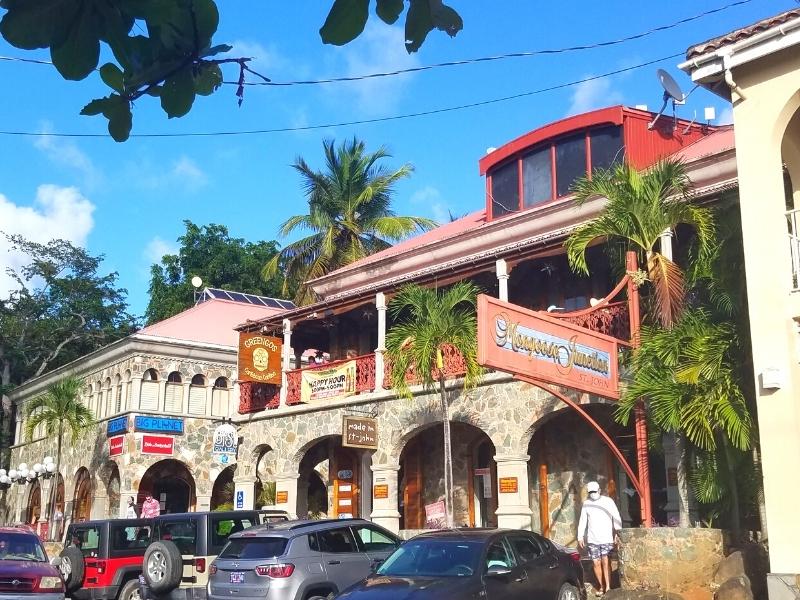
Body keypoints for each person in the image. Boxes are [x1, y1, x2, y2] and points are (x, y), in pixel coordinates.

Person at [577, 481, 622, 595]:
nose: (593, 494)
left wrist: (617, 533)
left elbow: (616, 516)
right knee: (596, 562)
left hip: (606, 538)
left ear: (599, 490)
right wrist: (580, 536)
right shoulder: (587, 504)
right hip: (592, 539)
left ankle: (608, 586)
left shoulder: (608, 501)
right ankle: (601, 586)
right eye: (590, 492)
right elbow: (583, 521)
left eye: (594, 491)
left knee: (606, 561)